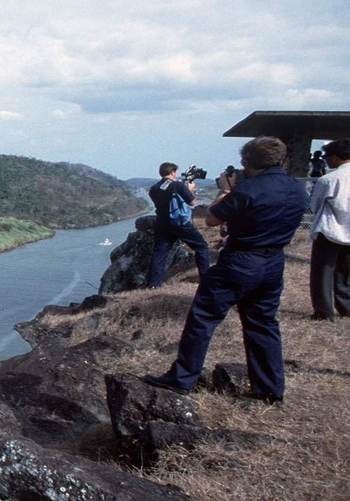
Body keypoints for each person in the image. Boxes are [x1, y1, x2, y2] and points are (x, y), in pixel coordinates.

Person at [144, 136, 308, 404]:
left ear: (246, 162)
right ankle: (269, 389)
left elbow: (212, 218)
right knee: (263, 323)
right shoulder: (296, 188)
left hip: (241, 260)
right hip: (274, 261)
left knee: (203, 317)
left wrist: (226, 189)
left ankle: (183, 378)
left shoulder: (249, 190)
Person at [147, 162, 210, 288]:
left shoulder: (154, 188)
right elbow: (192, 202)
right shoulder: (178, 185)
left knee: (160, 253)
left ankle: (153, 284)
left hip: (162, 223)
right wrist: (189, 190)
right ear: (173, 172)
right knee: (201, 247)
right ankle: (206, 278)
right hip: (180, 223)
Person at [309, 138, 350, 321]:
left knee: (322, 273)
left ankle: (323, 311)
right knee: (345, 273)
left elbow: (315, 205)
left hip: (330, 229)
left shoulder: (328, 179)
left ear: (335, 157)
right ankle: (346, 307)